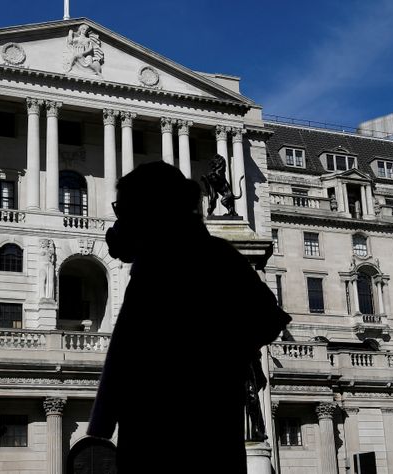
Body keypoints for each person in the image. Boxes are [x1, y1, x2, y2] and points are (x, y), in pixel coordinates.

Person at [87, 162, 291, 473]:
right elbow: (268, 319)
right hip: (202, 429)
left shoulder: (166, 266)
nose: (120, 219)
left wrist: (100, 426)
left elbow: (123, 354)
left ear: (151, 210)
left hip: (167, 432)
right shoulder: (209, 255)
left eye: (124, 208)